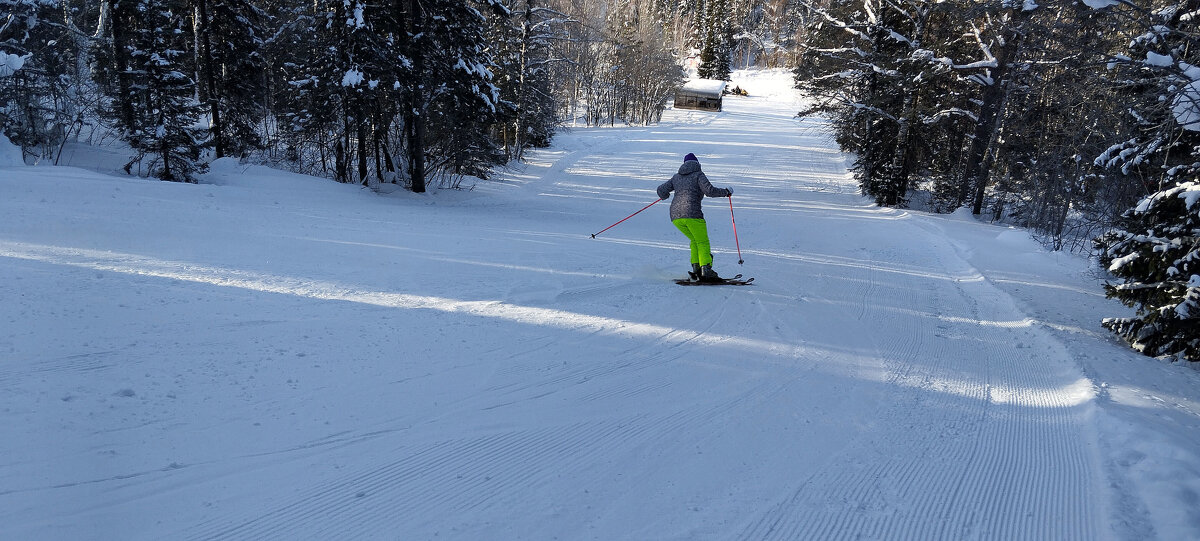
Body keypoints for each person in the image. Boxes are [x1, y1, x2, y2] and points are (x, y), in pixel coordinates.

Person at [656, 153, 732, 282]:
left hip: (675, 216)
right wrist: (726, 192)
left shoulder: (676, 177)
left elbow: (661, 190)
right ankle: (706, 270)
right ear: (697, 163)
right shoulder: (698, 175)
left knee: (695, 240)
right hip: (692, 214)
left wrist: (664, 195)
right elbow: (709, 191)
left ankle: (697, 269)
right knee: (702, 242)